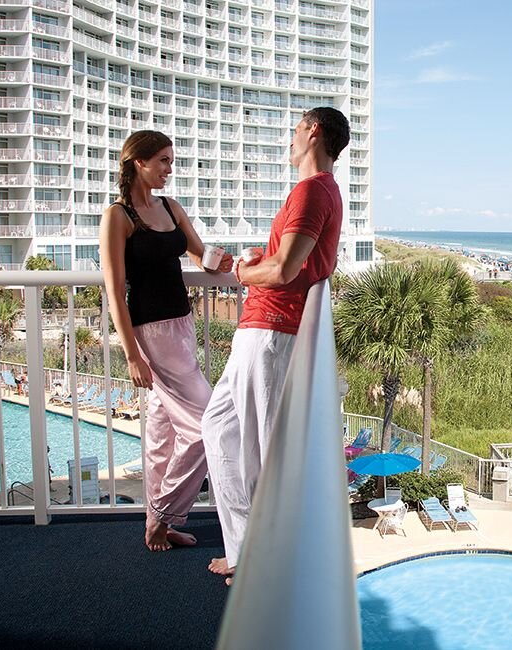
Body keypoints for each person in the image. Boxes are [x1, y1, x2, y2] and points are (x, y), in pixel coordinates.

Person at [200, 107, 348, 582]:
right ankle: (247, 550)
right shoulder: (318, 191)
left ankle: (270, 567)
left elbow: (285, 271)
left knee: (266, 451)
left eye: (294, 131)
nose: (289, 140)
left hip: (272, 331)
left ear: (313, 131)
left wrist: (239, 272)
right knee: (219, 427)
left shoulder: (312, 189)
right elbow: (292, 261)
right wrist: (259, 258)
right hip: (263, 329)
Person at [101, 130, 233, 552]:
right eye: (162, 160)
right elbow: (114, 291)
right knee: (208, 424)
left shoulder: (171, 208)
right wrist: (132, 354)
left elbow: (199, 256)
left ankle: (156, 523)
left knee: (161, 431)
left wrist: (229, 263)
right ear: (137, 162)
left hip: (181, 326)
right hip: (151, 335)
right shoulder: (118, 217)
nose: (169, 169)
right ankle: (162, 512)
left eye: (171, 161)